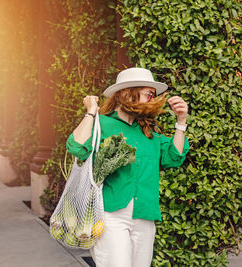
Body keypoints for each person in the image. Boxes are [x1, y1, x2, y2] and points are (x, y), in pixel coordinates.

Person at [66, 67, 190, 267]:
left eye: (153, 95)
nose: (152, 99)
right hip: (110, 215)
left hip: (145, 214)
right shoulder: (102, 124)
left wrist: (181, 121)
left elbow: (173, 157)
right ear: (125, 93)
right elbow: (77, 146)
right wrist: (91, 113)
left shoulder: (150, 131)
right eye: (148, 94)